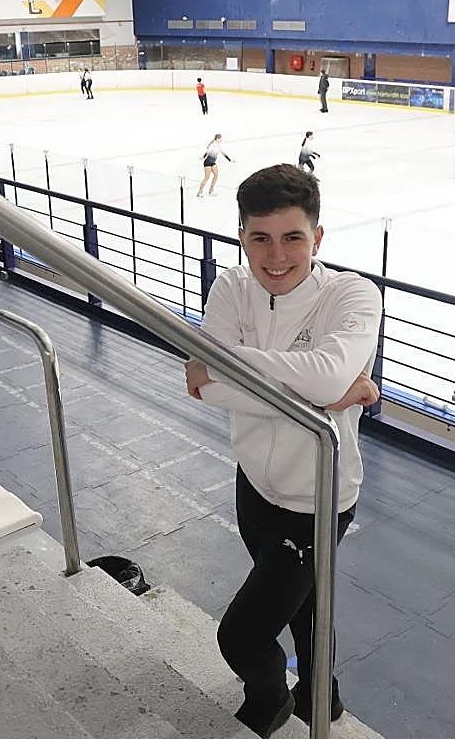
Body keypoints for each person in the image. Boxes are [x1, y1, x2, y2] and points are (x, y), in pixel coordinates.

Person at [184, 164, 382, 738]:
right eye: (259, 238)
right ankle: (326, 694)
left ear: (317, 238)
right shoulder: (230, 288)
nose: (276, 256)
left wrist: (224, 362)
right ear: (241, 236)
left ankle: (269, 696)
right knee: (302, 605)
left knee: (242, 634)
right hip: (254, 484)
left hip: (319, 497)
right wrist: (332, 393)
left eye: (293, 237)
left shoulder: (351, 294)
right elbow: (205, 389)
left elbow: (217, 378)